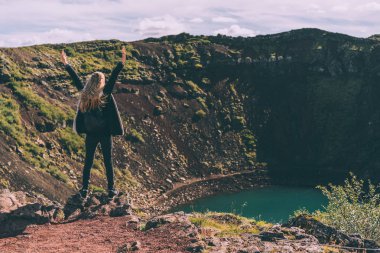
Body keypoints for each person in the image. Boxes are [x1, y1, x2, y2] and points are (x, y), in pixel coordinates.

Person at [61, 47, 126, 200]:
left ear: (90, 82)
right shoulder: (105, 94)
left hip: (90, 133)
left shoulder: (85, 94)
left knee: (88, 161)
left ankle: (84, 190)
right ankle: (111, 190)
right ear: (101, 82)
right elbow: (114, 77)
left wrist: (66, 64)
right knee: (108, 161)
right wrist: (122, 62)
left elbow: (75, 79)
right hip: (104, 133)